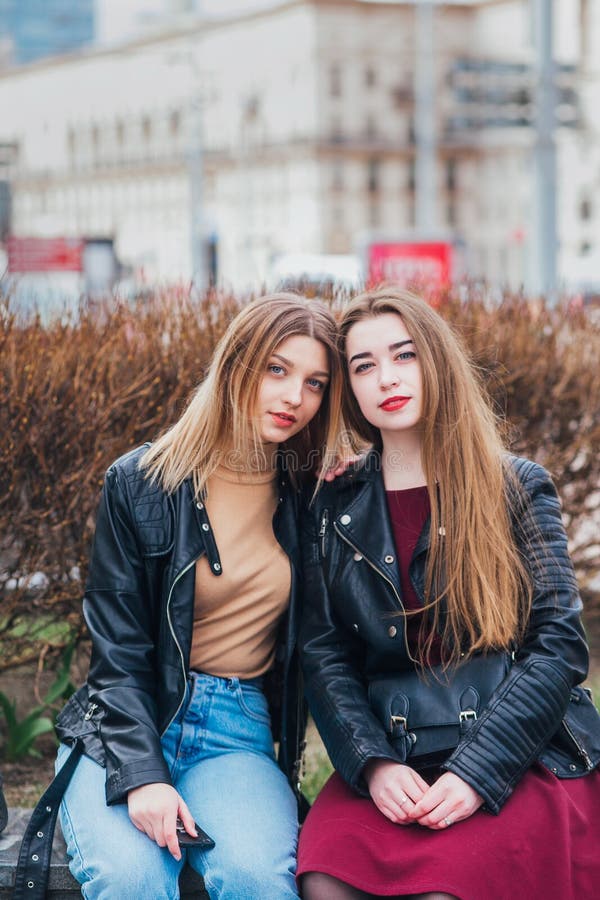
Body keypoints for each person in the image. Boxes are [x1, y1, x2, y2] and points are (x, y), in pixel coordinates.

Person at [297, 287, 600, 900]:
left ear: (436, 362)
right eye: (364, 366)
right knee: (325, 882)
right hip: (395, 749)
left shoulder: (516, 486)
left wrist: (477, 771)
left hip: (521, 749)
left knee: (440, 894)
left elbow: (558, 647)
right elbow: (324, 653)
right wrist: (374, 765)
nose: (387, 378)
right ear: (349, 388)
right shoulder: (334, 501)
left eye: (404, 356)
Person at [51, 293, 343, 900]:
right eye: (277, 369)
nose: (295, 397)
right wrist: (143, 777)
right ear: (237, 365)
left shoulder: (313, 493)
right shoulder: (141, 483)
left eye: (315, 382)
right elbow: (119, 652)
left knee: (258, 880)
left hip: (236, 729)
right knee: (131, 878)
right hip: (130, 721)